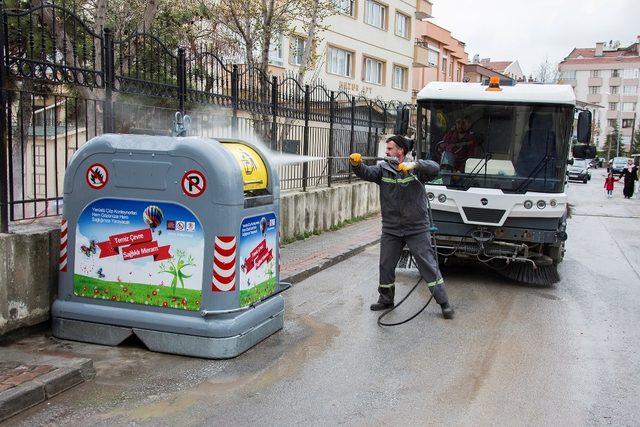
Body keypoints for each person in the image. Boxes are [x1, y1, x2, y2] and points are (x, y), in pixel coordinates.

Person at [349, 135, 454, 319]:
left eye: (389, 149)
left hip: (416, 228)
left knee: (427, 265)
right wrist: (357, 165)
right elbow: (368, 173)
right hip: (391, 228)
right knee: (386, 265)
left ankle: (444, 303)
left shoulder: (415, 169)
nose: (386, 152)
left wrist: (416, 166)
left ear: (400, 151)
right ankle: (386, 299)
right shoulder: (383, 169)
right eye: (386, 149)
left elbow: (435, 167)